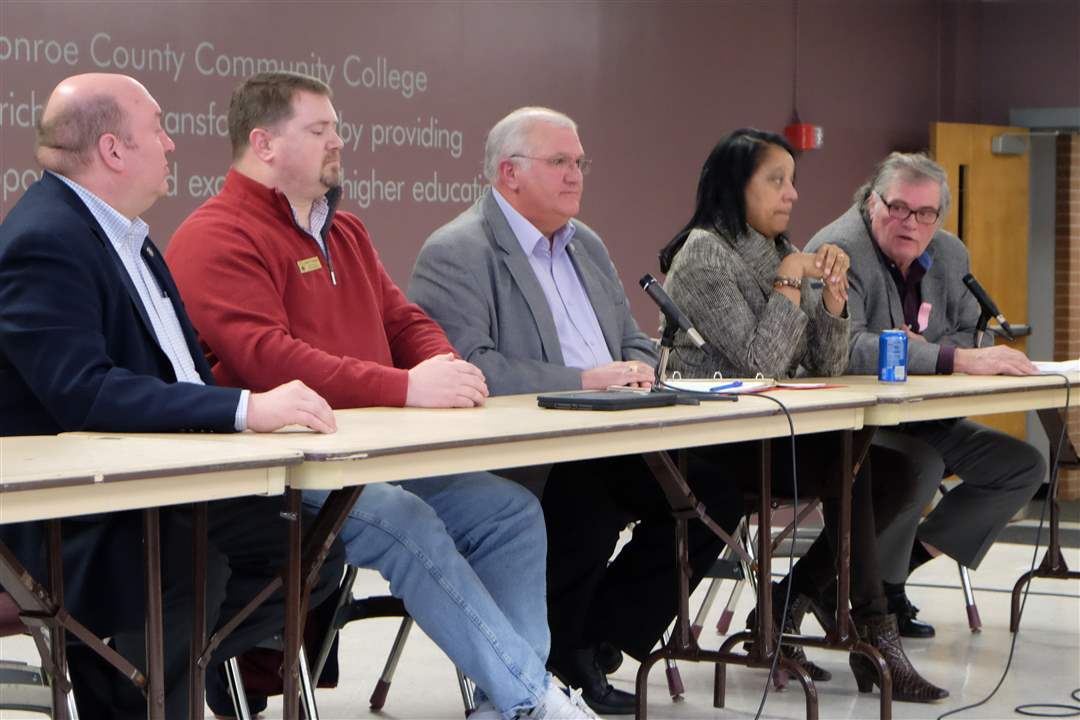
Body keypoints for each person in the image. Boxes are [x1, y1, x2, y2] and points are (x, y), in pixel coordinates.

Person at [166, 72, 593, 720]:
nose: (339, 140)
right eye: (319, 129)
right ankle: (532, 699)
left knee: (509, 514)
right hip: (288, 468)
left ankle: (508, 702)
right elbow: (267, 355)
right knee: (402, 520)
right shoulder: (215, 235)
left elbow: (403, 319)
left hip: (376, 458)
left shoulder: (346, 233)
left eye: (336, 127)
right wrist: (406, 387)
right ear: (264, 143)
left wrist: (444, 364)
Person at [0, 73, 344, 720]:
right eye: (157, 127)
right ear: (112, 150)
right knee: (191, 574)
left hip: (158, 488)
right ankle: (142, 681)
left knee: (311, 550)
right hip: (80, 513)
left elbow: (178, 374)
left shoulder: (129, 235)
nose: (172, 143)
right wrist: (245, 409)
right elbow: (84, 392)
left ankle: (154, 672)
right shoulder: (45, 241)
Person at [409, 106, 745, 715]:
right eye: (559, 162)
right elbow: (472, 366)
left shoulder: (584, 241)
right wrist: (584, 380)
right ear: (509, 174)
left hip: (618, 433)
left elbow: (632, 339)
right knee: (583, 501)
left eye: (579, 162)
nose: (576, 175)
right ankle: (564, 656)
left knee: (719, 491)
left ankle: (600, 635)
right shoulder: (457, 250)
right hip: (537, 452)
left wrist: (641, 369)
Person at [657, 128, 946, 702]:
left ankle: (791, 603)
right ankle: (874, 634)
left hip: (780, 435)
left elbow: (825, 361)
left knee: (901, 470)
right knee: (851, 462)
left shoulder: (776, 247)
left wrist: (834, 298)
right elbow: (761, 363)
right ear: (736, 186)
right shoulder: (703, 255)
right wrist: (793, 279)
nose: (791, 195)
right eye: (776, 181)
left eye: (792, 181)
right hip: (718, 442)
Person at [805, 151, 1045, 637]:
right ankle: (877, 593)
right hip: (857, 426)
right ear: (873, 203)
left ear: (938, 218)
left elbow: (968, 336)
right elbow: (846, 350)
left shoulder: (951, 254)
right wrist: (941, 357)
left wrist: (928, 350)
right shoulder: (836, 250)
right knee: (923, 462)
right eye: (897, 208)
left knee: (1022, 467)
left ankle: (894, 573)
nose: (909, 223)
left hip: (926, 415)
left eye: (925, 214)